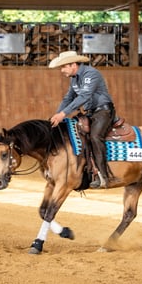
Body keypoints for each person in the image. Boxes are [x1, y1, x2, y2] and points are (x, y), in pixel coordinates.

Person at [49, 51, 116, 188]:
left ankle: (104, 176)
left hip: (103, 111)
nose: (61, 70)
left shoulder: (91, 74)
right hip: (91, 112)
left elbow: (84, 96)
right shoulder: (74, 78)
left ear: (73, 65)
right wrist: (58, 115)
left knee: (95, 137)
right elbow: (68, 98)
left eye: (63, 67)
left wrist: (64, 114)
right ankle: (87, 172)